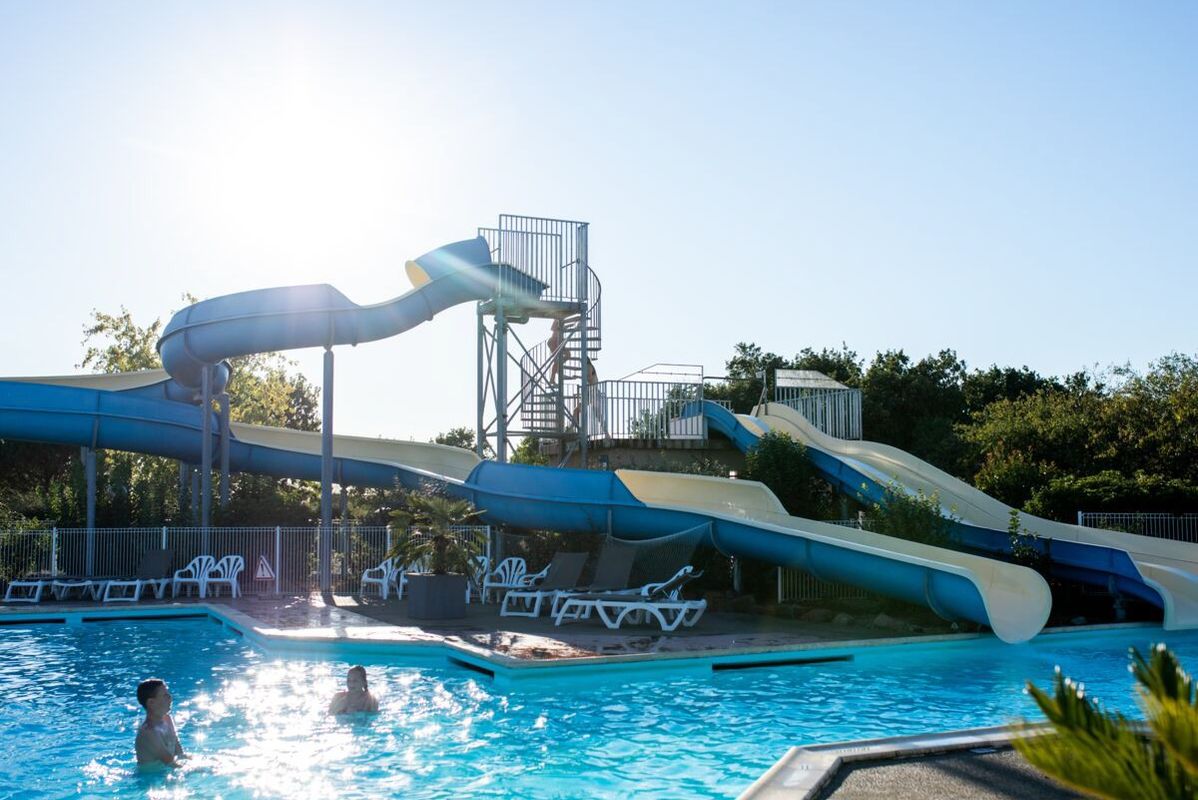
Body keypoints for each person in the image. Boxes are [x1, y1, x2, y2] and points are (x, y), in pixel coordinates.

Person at [135, 678, 185, 769]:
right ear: (151, 702)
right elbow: (170, 763)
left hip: (164, 772)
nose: (170, 697)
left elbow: (179, 754)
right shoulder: (148, 732)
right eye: (165, 695)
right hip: (149, 780)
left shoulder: (167, 719)